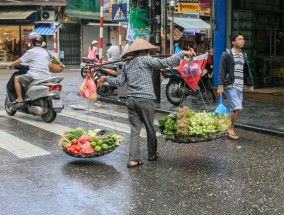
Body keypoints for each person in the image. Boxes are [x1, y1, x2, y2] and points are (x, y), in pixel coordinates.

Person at [98, 38, 195, 168]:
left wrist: (106, 79)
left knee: (135, 131)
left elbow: (120, 82)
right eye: (148, 50)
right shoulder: (146, 60)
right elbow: (165, 62)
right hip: (145, 99)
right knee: (150, 128)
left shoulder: (127, 64)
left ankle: (133, 159)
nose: (149, 52)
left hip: (131, 100)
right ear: (144, 50)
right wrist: (182, 53)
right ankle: (152, 154)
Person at [217, 32, 254, 140]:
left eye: (243, 39)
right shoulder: (227, 55)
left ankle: (223, 125)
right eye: (239, 39)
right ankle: (230, 129)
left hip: (240, 86)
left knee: (236, 109)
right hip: (230, 86)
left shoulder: (244, 55)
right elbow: (222, 71)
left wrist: (248, 83)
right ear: (233, 42)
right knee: (237, 108)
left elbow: (245, 71)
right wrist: (220, 86)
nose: (242, 41)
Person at [9, 34, 52, 104]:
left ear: (32, 43)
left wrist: (11, 64)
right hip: (47, 76)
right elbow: (52, 60)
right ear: (40, 43)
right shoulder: (45, 51)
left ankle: (19, 98)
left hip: (35, 75)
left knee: (16, 78)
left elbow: (20, 60)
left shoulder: (31, 51)